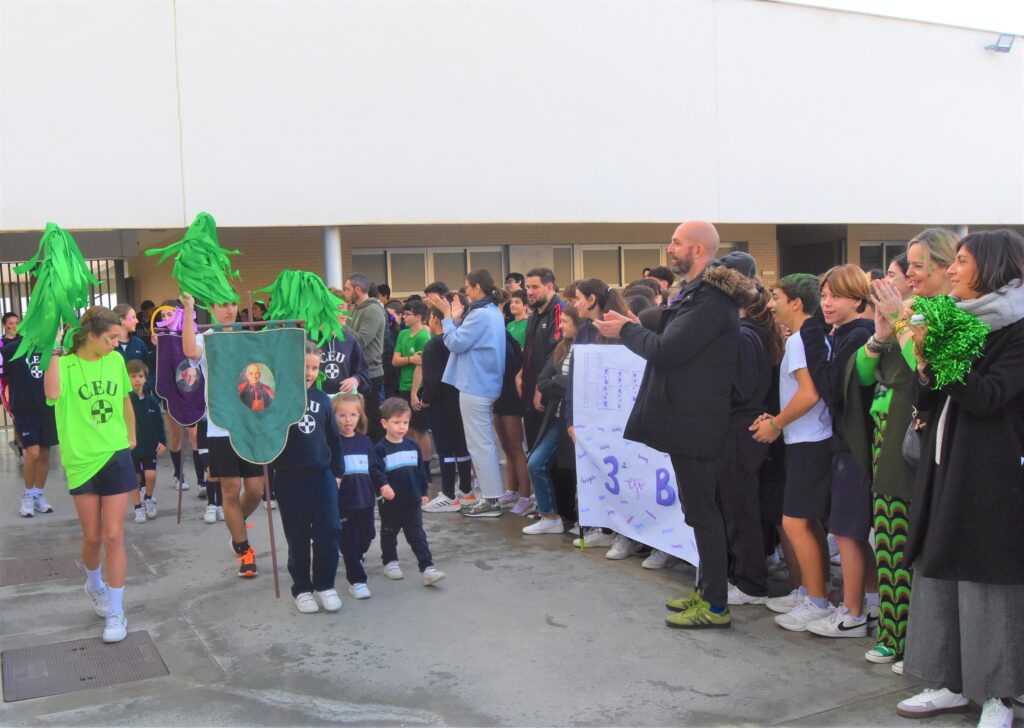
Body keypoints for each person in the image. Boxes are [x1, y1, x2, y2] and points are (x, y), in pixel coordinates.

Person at [895, 229, 1024, 727]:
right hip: (944, 465)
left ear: (990, 268)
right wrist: (923, 356)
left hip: (991, 476)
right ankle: (947, 681)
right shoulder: (954, 320)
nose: (950, 269)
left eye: (961, 261)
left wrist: (936, 352)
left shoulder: (1015, 329)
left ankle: (998, 696)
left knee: (987, 581)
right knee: (937, 568)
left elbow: (990, 396)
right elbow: (929, 397)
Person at [593, 221, 739, 629]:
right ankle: (707, 589)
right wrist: (630, 323)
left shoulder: (711, 299)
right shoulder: (694, 293)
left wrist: (625, 330)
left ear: (697, 249)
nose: (669, 248)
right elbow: (664, 325)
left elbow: (667, 350)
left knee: (704, 513)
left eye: (676, 242)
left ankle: (715, 605)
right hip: (687, 420)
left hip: (697, 423)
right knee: (696, 511)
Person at [850, 230, 956, 672]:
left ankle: (920, 643)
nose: (908, 276)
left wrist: (899, 323)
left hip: (928, 436)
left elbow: (930, 371)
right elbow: (860, 373)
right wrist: (881, 333)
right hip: (890, 434)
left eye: (915, 266)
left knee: (916, 542)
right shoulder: (906, 313)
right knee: (890, 539)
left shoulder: (954, 315)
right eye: (904, 267)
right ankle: (894, 635)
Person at [44, 306, 136, 643]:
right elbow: (52, 394)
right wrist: (54, 345)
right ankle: (94, 583)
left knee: (114, 536)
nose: (116, 344)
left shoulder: (114, 362)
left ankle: (116, 610)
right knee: (93, 537)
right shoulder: (65, 364)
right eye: (111, 338)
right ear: (92, 336)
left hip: (114, 455)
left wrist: (131, 435)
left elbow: (125, 399)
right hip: (81, 461)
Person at [751, 274, 833, 631]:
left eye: (777, 296)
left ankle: (816, 600)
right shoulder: (808, 336)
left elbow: (809, 393)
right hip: (808, 438)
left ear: (797, 303)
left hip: (809, 440)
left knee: (795, 522)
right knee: (806, 523)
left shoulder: (801, 339)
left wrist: (777, 423)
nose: (771, 303)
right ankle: (810, 594)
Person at [801, 264, 879, 638]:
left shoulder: (855, 336)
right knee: (854, 531)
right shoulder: (853, 333)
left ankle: (853, 613)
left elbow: (833, 391)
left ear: (857, 299)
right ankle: (870, 602)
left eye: (835, 296)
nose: (827, 303)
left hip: (852, 447)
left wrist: (814, 336)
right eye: (824, 295)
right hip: (853, 445)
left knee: (848, 531)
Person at [182, 292, 266, 578]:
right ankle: (245, 550)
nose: (230, 310)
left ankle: (236, 524)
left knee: (255, 490)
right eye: (223, 305)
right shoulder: (208, 339)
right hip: (219, 427)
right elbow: (190, 353)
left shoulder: (250, 337)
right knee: (230, 491)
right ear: (213, 309)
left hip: (250, 426)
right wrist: (188, 309)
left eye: (233, 304)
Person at [710, 270, 779, 603]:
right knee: (736, 507)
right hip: (739, 429)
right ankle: (743, 574)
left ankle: (751, 582)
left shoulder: (740, 335)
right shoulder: (747, 333)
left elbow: (740, 388)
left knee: (741, 509)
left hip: (739, 430)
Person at [426, 270, 507, 518]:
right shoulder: (490, 312)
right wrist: (457, 319)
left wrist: (449, 317)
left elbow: (455, 343)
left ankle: (492, 500)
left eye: (468, 288)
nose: (466, 293)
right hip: (482, 383)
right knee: (481, 442)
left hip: (476, 385)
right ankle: (491, 496)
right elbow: (465, 338)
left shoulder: (482, 314)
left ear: (478, 288)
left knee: (479, 444)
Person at [272, 341, 345, 613]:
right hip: (289, 479)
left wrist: (338, 473)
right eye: (304, 366)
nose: (310, 373)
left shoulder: (324, 399)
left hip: (322, 476)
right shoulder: (278, 399)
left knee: (330, 529)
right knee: (297, 536)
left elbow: (333, 439)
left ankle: (325, 584)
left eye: (315, 368)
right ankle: (302, 588)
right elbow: (267, 439)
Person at [522, 304, 580, 536]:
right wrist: (563, 382)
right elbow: (543, 380)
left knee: (578, 474)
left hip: (577, 421)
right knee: (536, 463)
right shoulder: (560, 348)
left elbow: (581, 383)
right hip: (557, 419)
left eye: (566, 321)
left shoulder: (588, 348)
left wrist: (560, 382)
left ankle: (583, 521)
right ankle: (550, 515)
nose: (561, 325)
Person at [375, 397, 446, 585]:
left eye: (405, 422)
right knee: (389, 532)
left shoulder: (413, 446)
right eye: (396, 422)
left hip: (412, 500)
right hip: (390, 503)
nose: (401, 427)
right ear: (384, 423)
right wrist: (383, 487)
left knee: (417, 534)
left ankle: (427, 567)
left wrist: (424, 492)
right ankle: (390, 561)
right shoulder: (380, 449)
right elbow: (376, 473)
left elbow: (421, 472)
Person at [333, 392, 393, 598]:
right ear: (333, 417)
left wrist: (383, 485)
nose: (348, 420)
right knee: (350, 541)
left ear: (360, 416)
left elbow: (375, 470)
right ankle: (357, 581)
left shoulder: (365, 442)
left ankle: (355, 555)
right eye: (342, 415)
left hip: (366, 501)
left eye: (353, 415)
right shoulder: (332, 444)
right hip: (343, 503)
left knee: (367, 535)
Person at [417, 299, 474, 512]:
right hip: (460, 399)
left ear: (433, 319)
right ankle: (466, 490)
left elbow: (432, 381)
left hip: (440, 404)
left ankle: (449, 494)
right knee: (461, 446)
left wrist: (425, 400)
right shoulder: (458, 341)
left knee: (445, 449)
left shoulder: (432, 345)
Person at [2, 317, 58, 517]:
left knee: (44, 454)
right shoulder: (12, 350)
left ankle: (38, 495)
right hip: (24, 410)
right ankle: (27, 495)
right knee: (32, 453)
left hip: (47, 409)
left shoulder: (49, 350)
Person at [518, 268, 563, 448]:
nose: (529, 292)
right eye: (528, 287)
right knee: (532, 443)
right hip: (529, 388)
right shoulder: (534, 314)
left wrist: (540, 386)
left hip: (545, 391)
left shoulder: (559, 311)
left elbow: (556, 352)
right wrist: (520, 373)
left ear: (549, 286)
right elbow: (529, 348)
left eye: (535, 287)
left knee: (543, 452)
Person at [344, 274, 388, 440]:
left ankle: (377, 458)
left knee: (371, 420)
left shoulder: (373, 310)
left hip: (371, 373)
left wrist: (341, 325)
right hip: (357, 372)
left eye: (347, 289)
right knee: (359, 418)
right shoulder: (354, 308)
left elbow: (361, 341)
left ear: (357, 289)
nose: (345, 293)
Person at [393, 301, 432, 482]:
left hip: (417, 388)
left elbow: (421, 367)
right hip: (403, 385)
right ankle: (410, 463)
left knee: (420, 429)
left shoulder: (423, 337)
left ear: (418, 317)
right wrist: (409, 358)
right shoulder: (402, 334)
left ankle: (425, 468)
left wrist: (414, 392)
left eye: (408, 313)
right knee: (406, 428)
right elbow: (395, 360)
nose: (403, 316)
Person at [127, 360, 166, 523]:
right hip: (131, 448)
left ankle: (148, 498)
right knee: (134, 478)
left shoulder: (151, 401)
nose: (137, 379)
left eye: (140, 376)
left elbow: (159, 422)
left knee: (150, 475)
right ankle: (137, 508)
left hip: (149, 446)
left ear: (145, 378)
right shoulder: (126, 401)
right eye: (133, 376)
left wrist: (162, 441)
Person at [318, 305, 370, 397]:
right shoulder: (309, 339)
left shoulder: (350, 340)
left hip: (344, 403)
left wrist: (356, 380)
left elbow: (363, 372)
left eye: (346, 309)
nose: (345, 312)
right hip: (317, 403)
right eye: (341, 308)